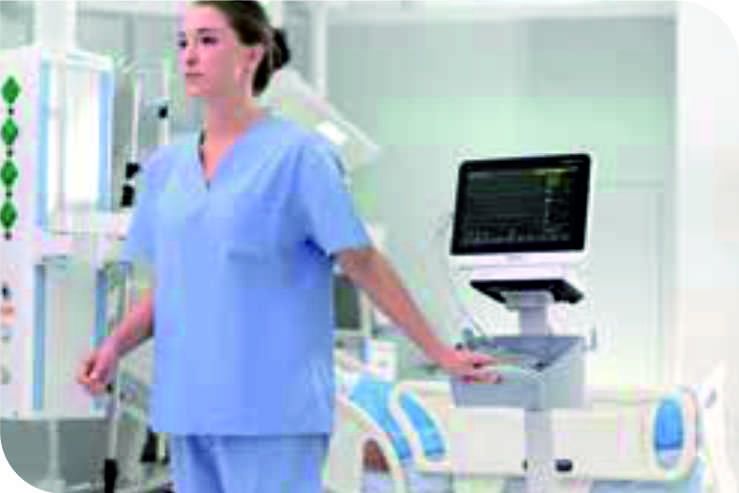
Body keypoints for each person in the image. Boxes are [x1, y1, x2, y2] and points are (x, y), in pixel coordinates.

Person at [77, 2, 499, 492]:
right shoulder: (166, 169)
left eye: (208, 40)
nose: (189, 55)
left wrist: (440, 353)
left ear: (251, 55)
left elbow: (362, 262)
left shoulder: (301, 156)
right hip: (189, 409)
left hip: (271, 411)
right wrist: (114, 347)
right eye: (183, 42)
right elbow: (175, 285)